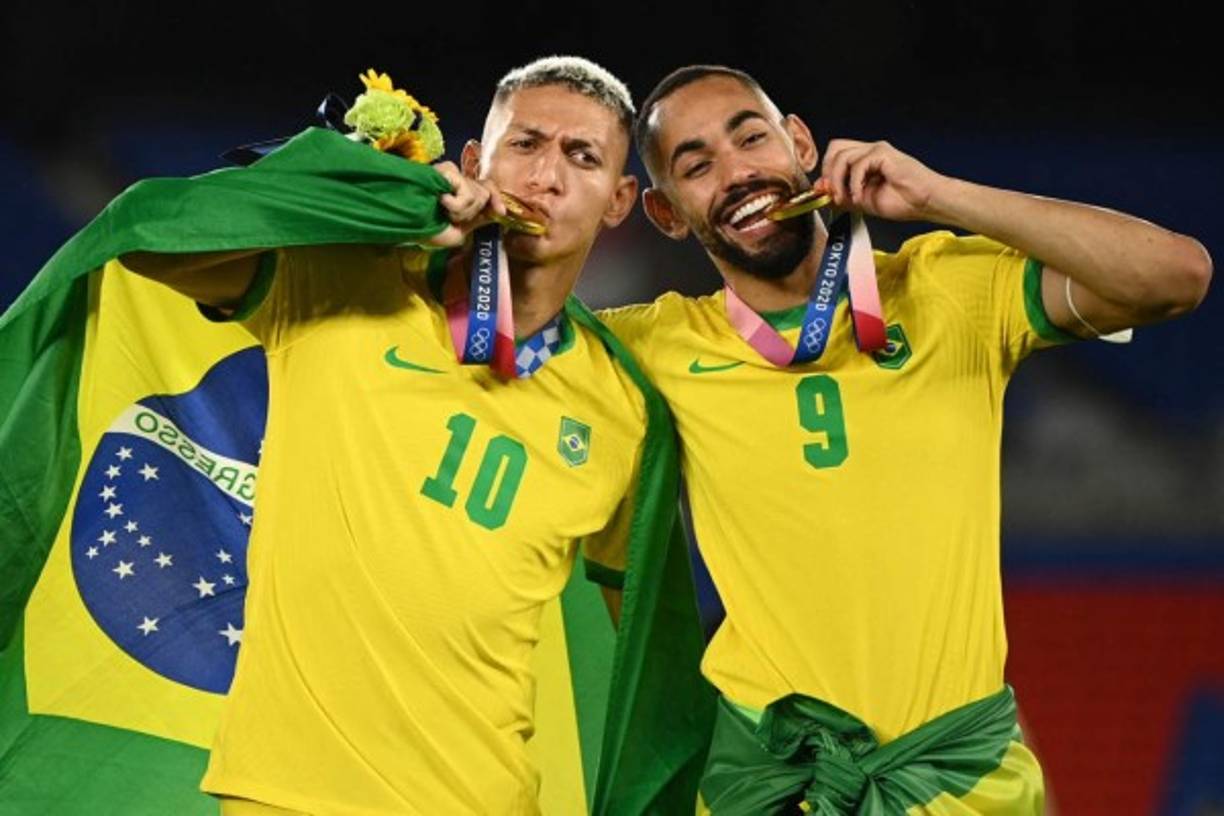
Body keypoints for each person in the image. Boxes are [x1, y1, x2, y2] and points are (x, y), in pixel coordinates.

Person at [599, 65, 1213, 814]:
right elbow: (493, 351)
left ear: (800, 143)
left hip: (958, 777)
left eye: (750, 138)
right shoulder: (652, 348)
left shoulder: (949, 290)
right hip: (774, 781)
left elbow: (1176, 275)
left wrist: (938, 196)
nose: (736, 174)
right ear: (666, 212)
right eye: (697, 167)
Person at [125, 56, 655, 816]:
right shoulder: (340, 276)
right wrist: (376, 199)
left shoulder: (623, 408)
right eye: (525, 145)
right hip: (288, 794)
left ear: (620, 200)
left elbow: (646, 645)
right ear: (473, 162)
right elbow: (149, 233)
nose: (546, 178)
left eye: (583, 157)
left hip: (488, 800)